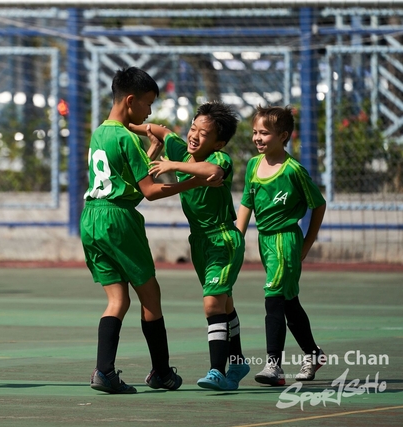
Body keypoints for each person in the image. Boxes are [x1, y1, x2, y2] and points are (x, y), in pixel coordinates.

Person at [82, 67, 220, 394]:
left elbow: (118, 178)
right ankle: (161, 372)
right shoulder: (128, 137)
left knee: (117, 299)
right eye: (147, 104)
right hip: (119, 222)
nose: (150, 112)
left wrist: (150, 155)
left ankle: (103, 371)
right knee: (150, 296)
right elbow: (150, 191)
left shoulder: (100, 132)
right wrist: (194, 181)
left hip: (91, 218)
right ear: (130, 101)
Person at [133, 101, 249, 391]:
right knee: (224, 303)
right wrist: (130, 126)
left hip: (222, 238)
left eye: (204, 133)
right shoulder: (180, 147)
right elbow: (159, 129)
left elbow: (210, 171)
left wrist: (172, 164)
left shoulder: (220, 160)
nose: (194, 136)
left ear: (219, 142)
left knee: (212, 304)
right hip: (199, 242)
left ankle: (216, 371)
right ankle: (237, 360)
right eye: (193, 128)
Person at [236, 105, 326, 386]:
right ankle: (313, 354)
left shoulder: (293, 171)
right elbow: (246, 204)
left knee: (273, 298)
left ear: (284, 135)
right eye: (255, 132)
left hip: (285, 240)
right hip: (265, 242)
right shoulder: (253, 165)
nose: (258, 138)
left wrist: (307, 243)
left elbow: (318, 205)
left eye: (265, 133)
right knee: (288, 302)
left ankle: (273, 365)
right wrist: (237, 239)